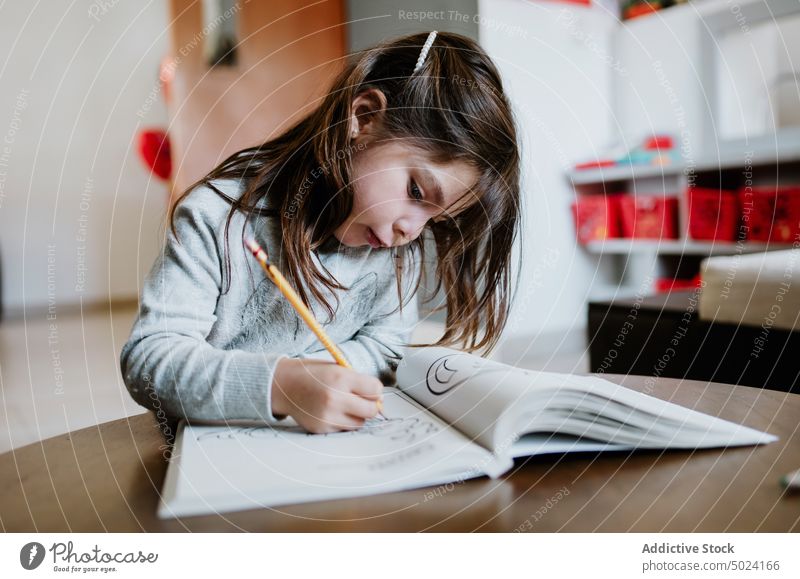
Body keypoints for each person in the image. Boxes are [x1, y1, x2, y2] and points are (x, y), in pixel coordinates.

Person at [119, 31, 521, 434]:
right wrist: (284, 385)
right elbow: (151, 359)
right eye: (416, 192)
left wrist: (321, 382)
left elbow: (386, 347)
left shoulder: (395, 256)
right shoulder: (217, 218)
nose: (411, 231)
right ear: (363, 118)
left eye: (435, 220)